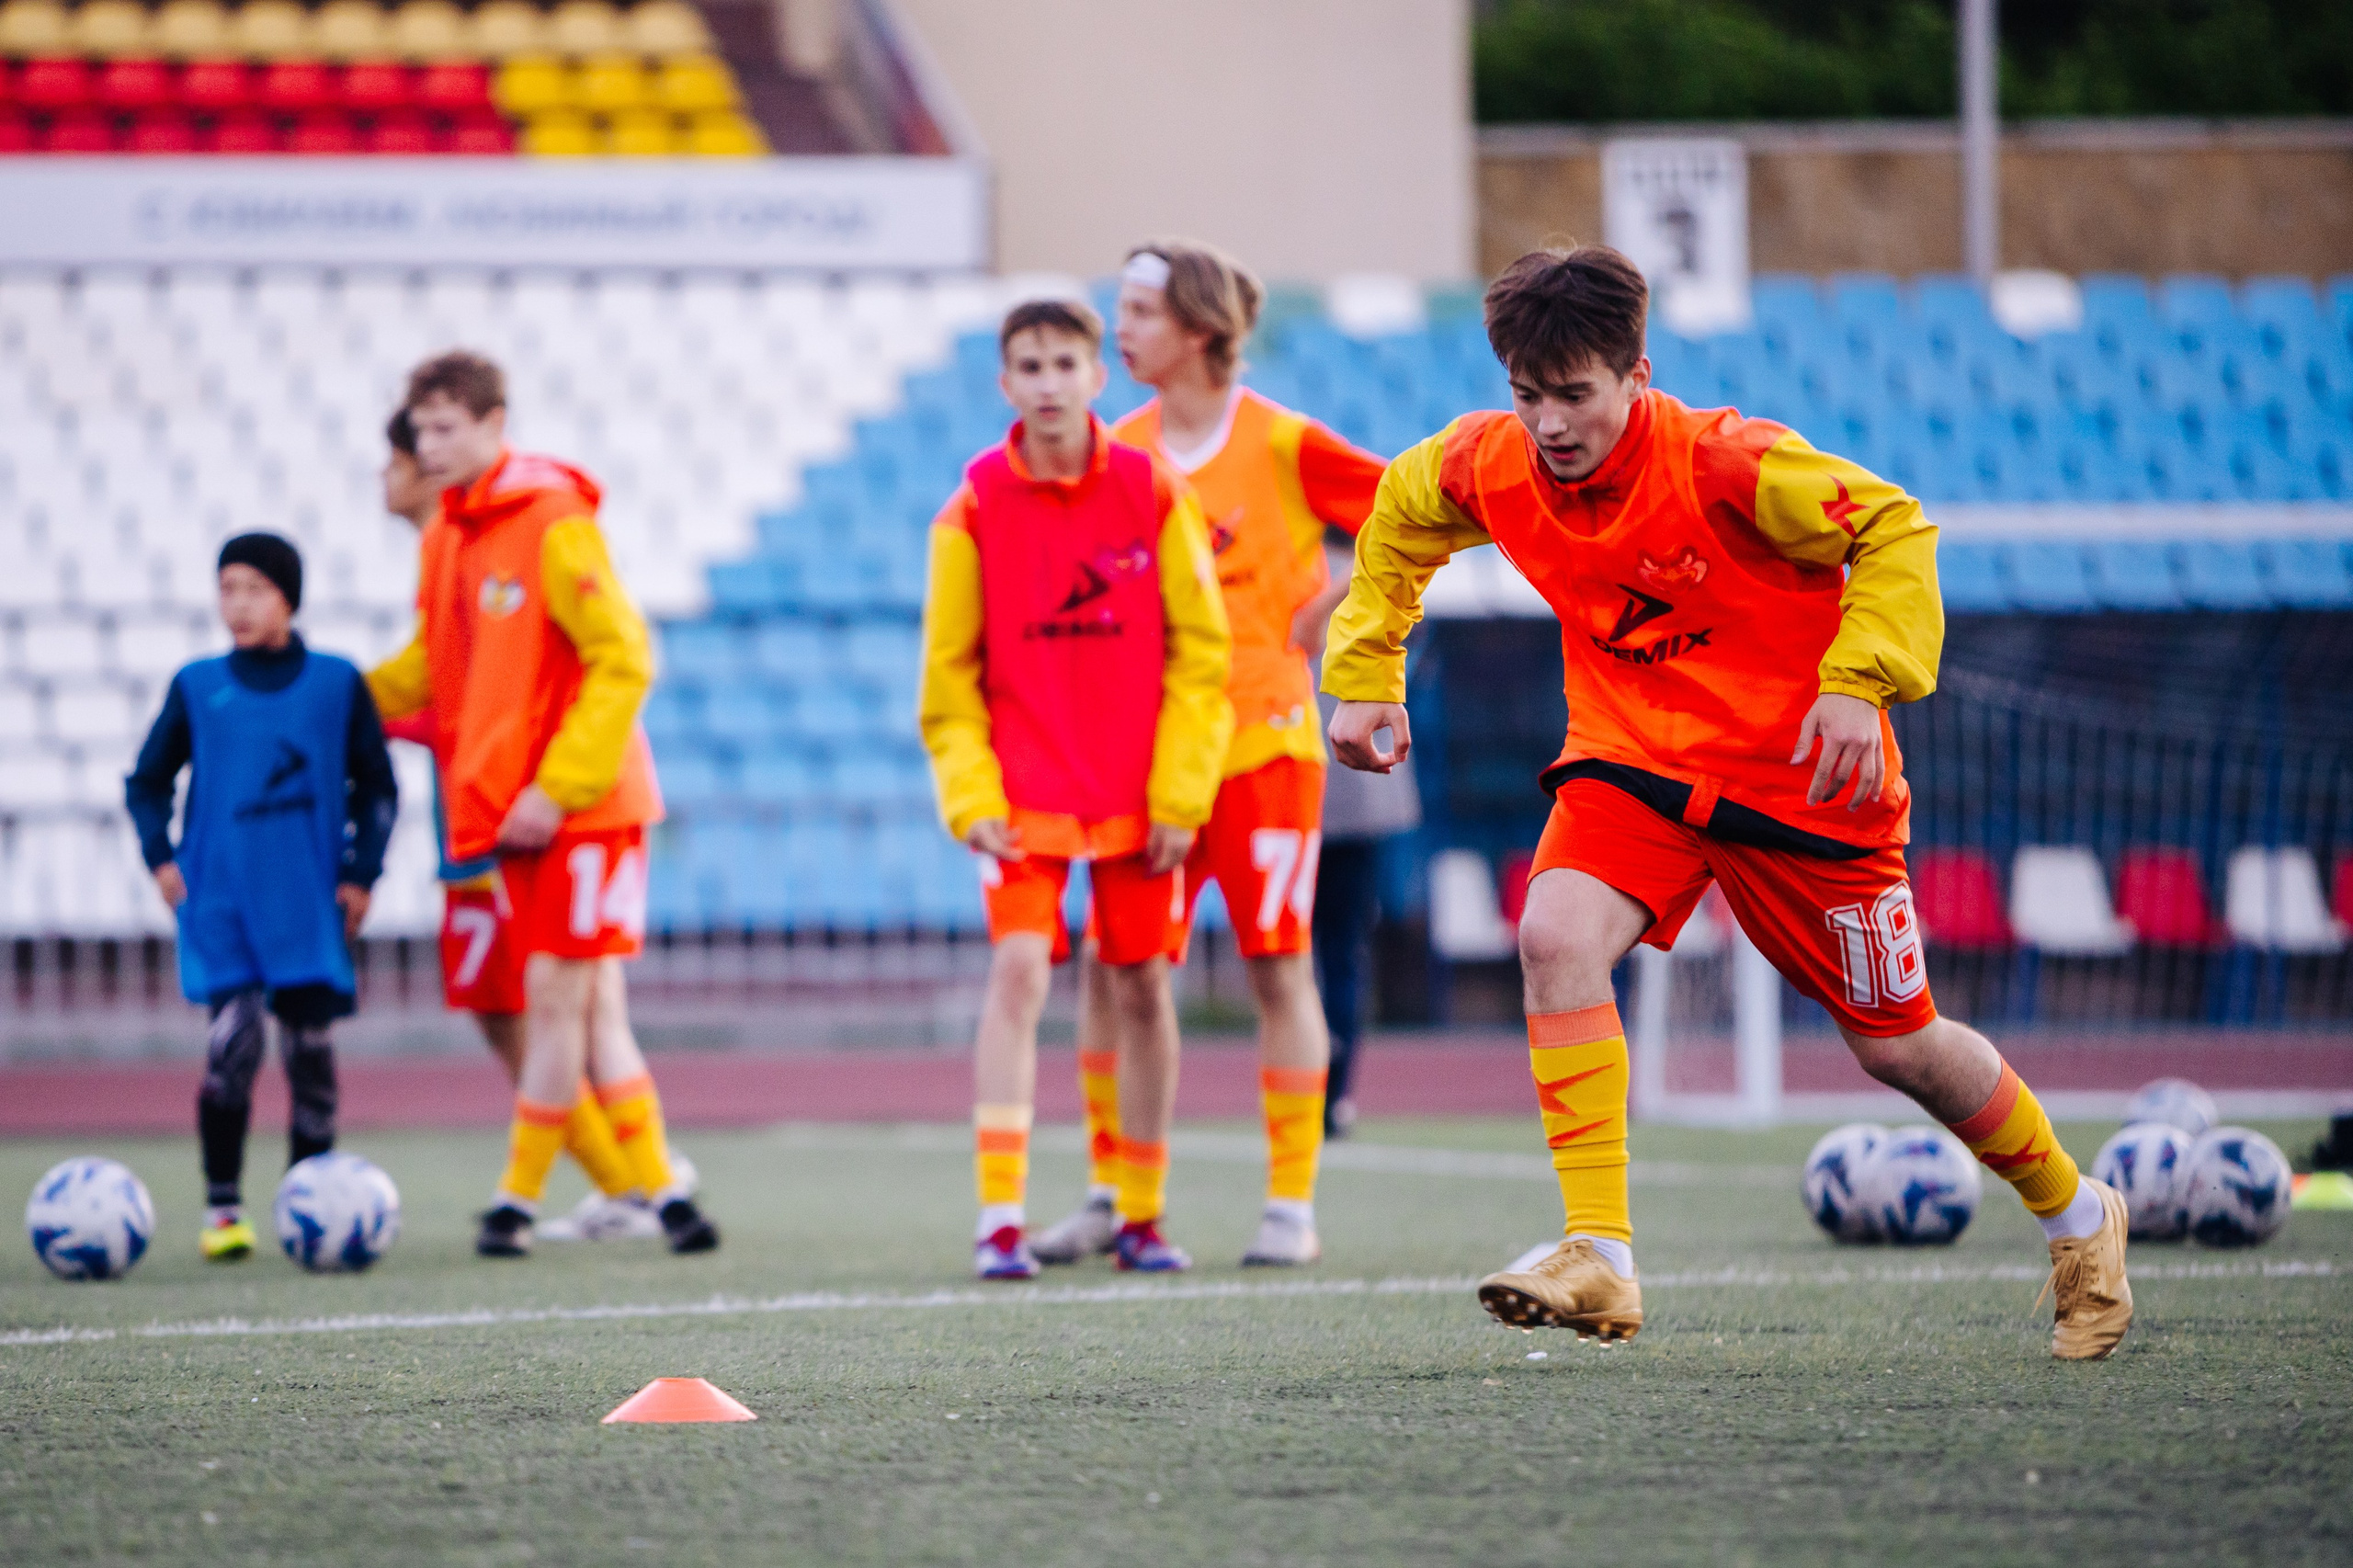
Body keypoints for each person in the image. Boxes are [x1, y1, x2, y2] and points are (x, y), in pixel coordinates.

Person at [1322, 245, 2134, 1360]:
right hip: (1635, 763)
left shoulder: (1727, 462)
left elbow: (1892, 525)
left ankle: (2080, 1217)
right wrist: (1366, 666)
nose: (1549, 423)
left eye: (1575, 395)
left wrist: (1858, 685)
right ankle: (1599, 1250)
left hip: (1804, 781)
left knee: (1897, 1046)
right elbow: (1401, 513)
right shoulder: (1489, 461)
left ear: (1636, 374)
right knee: (1552, 935)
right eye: (1527, 394)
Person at [1029, 242, 1387, 1269]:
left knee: (1280, 965)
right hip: (1142, 759)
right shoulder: (1118, 451)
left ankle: (1289, 1204)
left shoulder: (1280, 439)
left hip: (1266, 743)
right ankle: (1114, 1190)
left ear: (1195, 327)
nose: (1120, 327)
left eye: (1137, 310)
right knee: (1115, 967)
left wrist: (1321, 615)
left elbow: (1403, 522)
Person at [368, 351, 717, 1259]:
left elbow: (624, 654)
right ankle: (664, 1198)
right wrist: (325, 694)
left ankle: (514, 1202)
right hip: (513, 812)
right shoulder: (448, 535)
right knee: (589, 1006)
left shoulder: (554, 522)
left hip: (581, 808)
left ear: (494, 423)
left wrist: (558, 787)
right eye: (422, 430)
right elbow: (428, 671)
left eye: (449, 426)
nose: (432, 445)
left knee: (561, 999)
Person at [919, 298, 1232, 1279]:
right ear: (1004, 383)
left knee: (1142, 984)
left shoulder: (1155, 490)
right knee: (1018, 972)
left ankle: (1140, 1213)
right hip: (1024, 799)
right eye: (1029, 365)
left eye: (1065, 362)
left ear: (1099, 377)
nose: (1048, 381)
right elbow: (948, 678)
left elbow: (1200, 656)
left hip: (1141, 799)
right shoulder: (970, 505)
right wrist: (973, 799)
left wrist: (1182, 794)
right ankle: (998, 1220)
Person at [125, 533, 398, 1261]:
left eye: (253, 588)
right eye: (227, 589)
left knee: (310, 1057)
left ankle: (310, 1206)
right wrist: (159, 857)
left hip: (308, 905)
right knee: (233, 1048)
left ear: (288, 597)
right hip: (223, 902)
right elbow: (147, 781)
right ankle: (223, 1210)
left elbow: (377, 786)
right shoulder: (197, 685)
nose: (237, 604)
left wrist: (362, 872)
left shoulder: (338, 683)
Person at [1310, 643, 1422, 1138]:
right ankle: (1331, 1093)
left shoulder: (1331, 587)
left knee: (1311, 957)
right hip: (1345, 800)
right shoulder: (1373, 589)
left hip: (1306, 795)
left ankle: (1322, 1089)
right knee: (1337, 955)